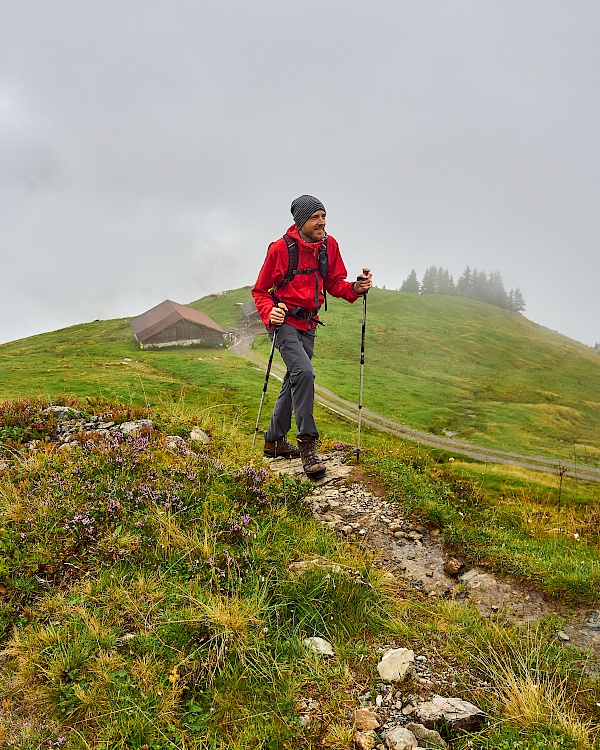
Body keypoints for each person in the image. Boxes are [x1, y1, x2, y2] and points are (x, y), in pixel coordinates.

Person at [252, 195, 372, 480]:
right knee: (304, 373)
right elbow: (260, 291)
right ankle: (308, 445)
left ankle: (274, 440)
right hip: (284, 323)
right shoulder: (280, 249)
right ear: (301, 221)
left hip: (309, 322)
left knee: (295, 378)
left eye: (324, 216)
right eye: (316, 217)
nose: (322, 222)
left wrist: (355, 288)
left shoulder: (329, 246)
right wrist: (271, 314)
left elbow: (333, 283)